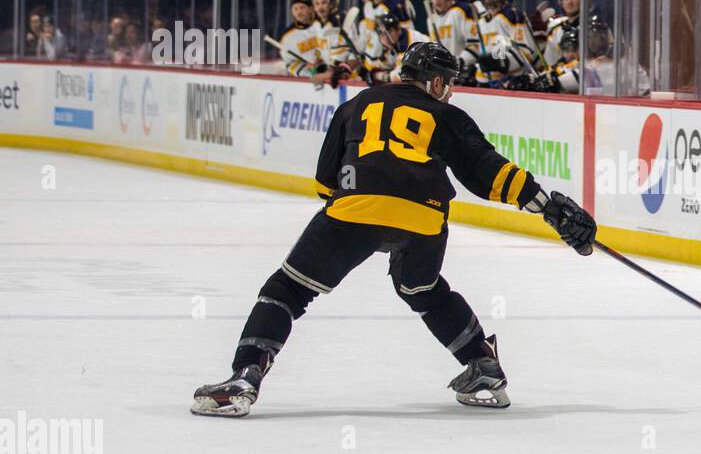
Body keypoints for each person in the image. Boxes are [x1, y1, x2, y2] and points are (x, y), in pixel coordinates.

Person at [191, 42, 598, 417]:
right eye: (450, 83)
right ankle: (483, 366)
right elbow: (487, 172)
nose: (451, 91)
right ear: (435, 81)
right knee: (421, 288)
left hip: (356, 210)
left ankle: (246, 377)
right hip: (424, 218)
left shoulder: (357, 104)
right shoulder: (446, 115)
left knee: (288, 289)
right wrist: (547, 207)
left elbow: (322, 183)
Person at [466, 0, 538, 86]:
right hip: (484, 85)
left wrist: (502, 62)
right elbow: (476, 51)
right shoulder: (481, 21)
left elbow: (527, 51)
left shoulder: (513, 16)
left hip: (510, 84)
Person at [423, 0, 477, 77]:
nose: (436, 0)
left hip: (466, 73)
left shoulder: (461, 11)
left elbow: (475, 45)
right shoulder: (431, 19)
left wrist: (458, 62)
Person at [364, 10, 431, 84]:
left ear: (398, 29)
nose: (385, 37)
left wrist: (377, 75)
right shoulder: (396, 41)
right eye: (381, 33)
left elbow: (400, 76)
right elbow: (387, 64)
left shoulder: (409, 43)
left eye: (388, 31)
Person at [279, 0, 330, 80]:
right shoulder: (287, 36)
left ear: (311, 9)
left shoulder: (324, 25)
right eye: (295, 9)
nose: (299, 12)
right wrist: (307, 70)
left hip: (330, 72)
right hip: (308, 78)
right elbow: (289, 63)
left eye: (302, 8)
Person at [543, 0, 582, 67]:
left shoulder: (592, 26)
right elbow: (550, 62)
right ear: (561, 3)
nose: (570, 2)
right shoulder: (555, 28)